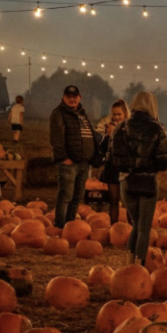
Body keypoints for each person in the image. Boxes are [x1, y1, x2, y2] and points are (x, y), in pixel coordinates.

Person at [112, 92, 167, 265]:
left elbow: (114, 158)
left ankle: (129, 263)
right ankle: (138, 267)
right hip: (147, 181)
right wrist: (149, 165)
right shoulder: (157, 128)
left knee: (136, 225)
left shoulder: (121, 127)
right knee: (144, 228)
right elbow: (164, 160)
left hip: (126, 181)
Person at [49, 85, 98, 228]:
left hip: (84, 162)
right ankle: (60, 227)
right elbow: (56, 139)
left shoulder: (82, 114)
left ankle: (70, 227)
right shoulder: (58, 113)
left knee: (77, 198)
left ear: (79, 97)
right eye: (69, 97)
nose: (72, 99)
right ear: (63, 98)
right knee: (66, 196)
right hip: (69, 163)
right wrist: (65, 158)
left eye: (74, 96)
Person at [97, 100, 129, 225]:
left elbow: (128, 148)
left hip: (125, 167)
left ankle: (129, 229)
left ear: (125, 114)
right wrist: (108, 136)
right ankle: (114, 227)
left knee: (127, 202)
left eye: (119, 114)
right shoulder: (109, 128)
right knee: (113, 201)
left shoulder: (129, 129)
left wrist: (116, 134)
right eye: (114, 114)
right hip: (112, 167)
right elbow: (103, 149)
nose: (116, 117)